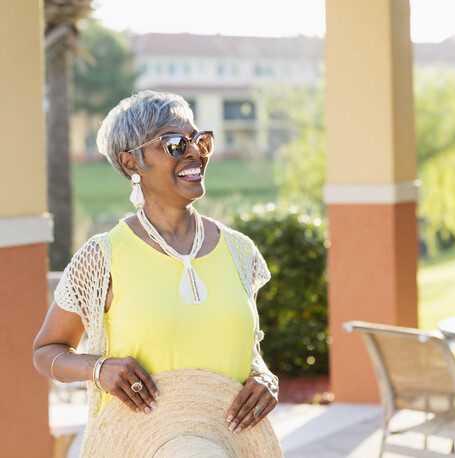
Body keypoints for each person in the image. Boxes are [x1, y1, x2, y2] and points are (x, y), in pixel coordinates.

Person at [32, 90, 279, 455]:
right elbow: (46, 351)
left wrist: (265, 379)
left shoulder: (240, 251)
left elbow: (247, 350)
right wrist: (99, 369)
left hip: (226, 446)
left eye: (200, 140)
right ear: (132, 162)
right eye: (176, 144)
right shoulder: (102, 257)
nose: (195, 152)